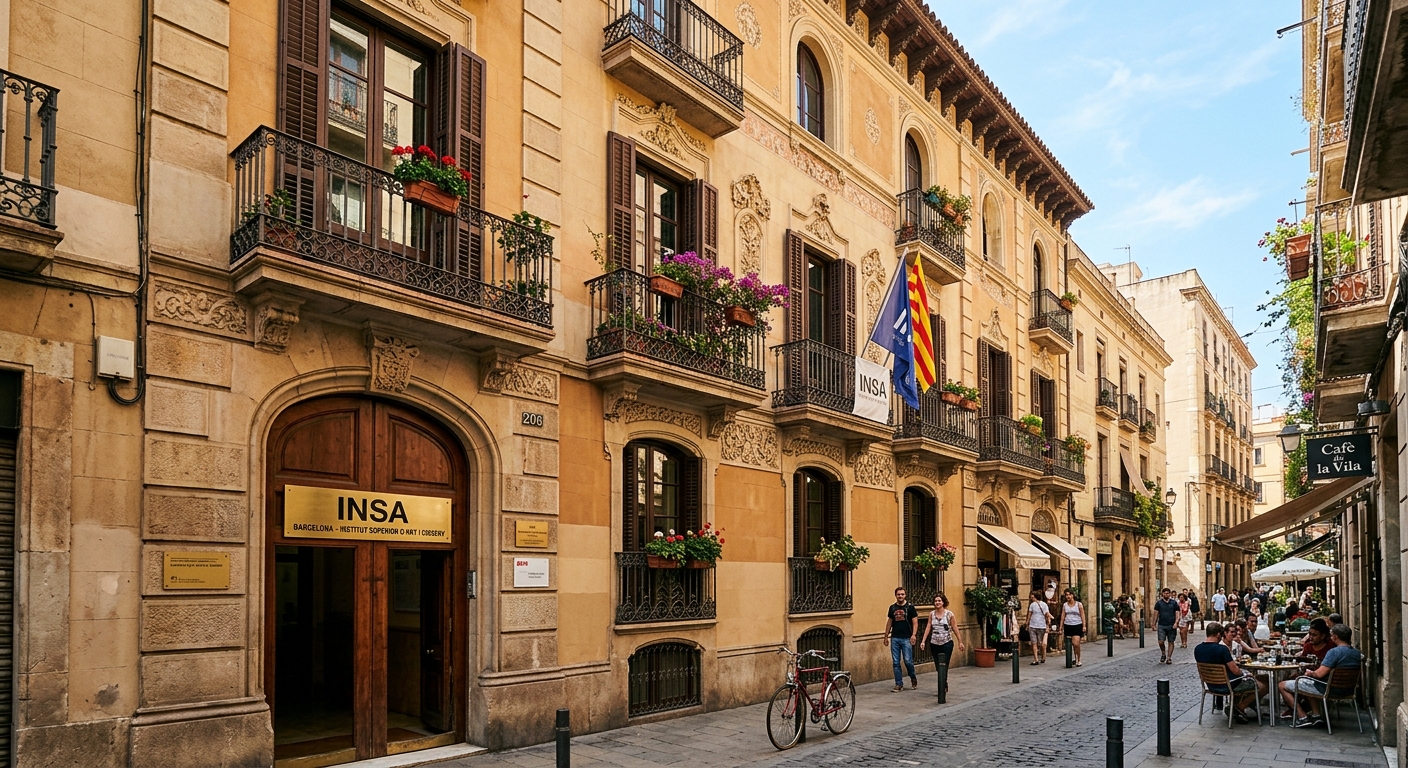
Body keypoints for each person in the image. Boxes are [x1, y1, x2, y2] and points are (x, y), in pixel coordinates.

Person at [1280, 623, 1361, 726]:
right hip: (1349, 690)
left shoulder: (1334, 652)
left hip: (1329, 689)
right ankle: (1316, 715)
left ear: (1335, 637)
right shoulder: (1356, 653)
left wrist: (1309, 672)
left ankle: (1302, 717)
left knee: (1282, 685)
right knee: (1307, 682)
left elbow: (1319, 674)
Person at [1194, 622, 1266, 723]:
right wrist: (1245, 674)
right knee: (1262, 685)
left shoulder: (1197, 649)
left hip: (1210, 685)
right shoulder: (1222, 649)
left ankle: (1239, 706)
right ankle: (1239, 707)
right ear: (1219, 634)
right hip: (1227, 685)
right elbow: (1236, 671)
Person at [918, 591, 964, 695]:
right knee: (938, 666)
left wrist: (960, 642)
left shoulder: (949, 614)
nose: (937, 602)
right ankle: (944, 683)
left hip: (946, 643)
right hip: (934, 643)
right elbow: (928, 627)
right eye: (935, 601)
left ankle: (942, 687)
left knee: (944, 664)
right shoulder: (931, 614)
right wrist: (923, 641)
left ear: (943, 602)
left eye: (939, 600)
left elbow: (955, 628)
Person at [883, 587, 919, 692]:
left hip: (906, 638)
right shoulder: (892, 608)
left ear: (905, 595)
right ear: (895, 595)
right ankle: (898, 684)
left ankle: (912, 676)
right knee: (895, 662)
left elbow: (915, 622)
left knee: (908, 661)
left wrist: (914, 635)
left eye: (902, 594)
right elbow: (889, 622)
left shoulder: (910, 607)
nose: (900, 596)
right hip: (895, 638)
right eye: (898, 594)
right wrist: (886, 635)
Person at [1153, 588, 1180, 664]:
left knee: (1171, 641)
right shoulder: (1159, 603)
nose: (1166, 595)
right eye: (1165, 593)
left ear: (1170, 594)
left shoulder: (1174, 603)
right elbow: (1156, 614)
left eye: (1168, 593)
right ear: (1162, 594)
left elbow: (1177, 613)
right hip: (1162, 624)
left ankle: (1169, 658)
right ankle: (1163, 653)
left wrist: (1176, 622)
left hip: (1171, 625)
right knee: (1161, 641)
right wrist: (1154, 624)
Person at [1060, 589, 1086, 666]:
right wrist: (1061, 627)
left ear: (1072, 595)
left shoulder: (1079, 604)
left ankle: (1078, 659)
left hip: (1077, 625)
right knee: (1069, 644)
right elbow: (1063, 616)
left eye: (1069, 594)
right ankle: (1074, 658)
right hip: (1067, 625)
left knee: (1076, 643)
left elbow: (1082, 615)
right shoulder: (1065, 605)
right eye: (1066, 595)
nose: (1068, 596)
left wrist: (1084, 625)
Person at [1025, 590, 1051, 664]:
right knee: (1035, 643)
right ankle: (1036, 659)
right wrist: (1027, 623)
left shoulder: (1042, 605)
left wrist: (1027, 623)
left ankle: (1042, 657)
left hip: (1039, 626)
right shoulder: (1034, 605)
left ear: (1035, 597)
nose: (1031, 597)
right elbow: (1030, 615)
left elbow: (1029, 615)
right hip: (1036, 626)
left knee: (1039, 643)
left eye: (1032, 596)